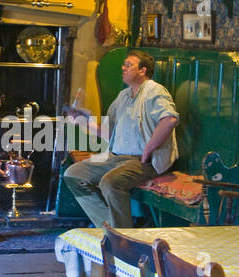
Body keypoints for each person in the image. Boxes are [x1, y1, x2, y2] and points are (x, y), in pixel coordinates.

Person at [63, 50, 179, 229]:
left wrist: (148, 149)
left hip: (143, 161)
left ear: (143, 70)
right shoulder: (123, 96)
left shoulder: (154, 91)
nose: (123, 68)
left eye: (129, 65)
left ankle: (123, 237)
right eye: (123, 65)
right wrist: (83, 121)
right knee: (73, 174)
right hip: (116, 157)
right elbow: (111, 135)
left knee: (110, 183)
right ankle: (111, 227)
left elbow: (170, 119)